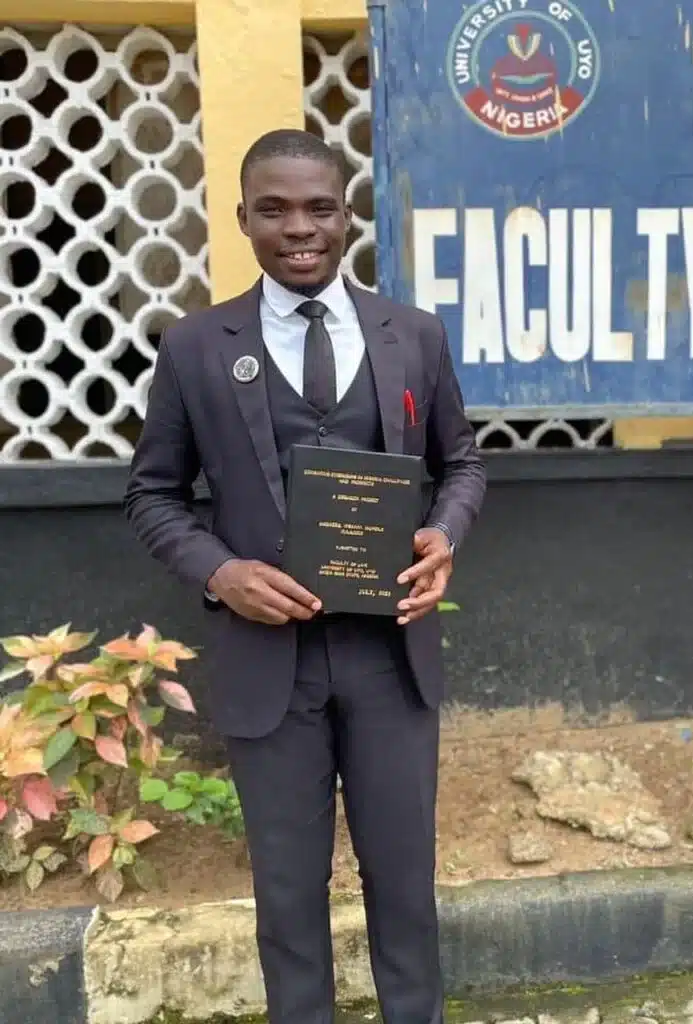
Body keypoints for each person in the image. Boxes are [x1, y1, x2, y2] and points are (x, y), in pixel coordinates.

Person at [124, 128, 486, 1024]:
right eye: (275, 210)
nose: (300, 229)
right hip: (266, 665)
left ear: (347, 214)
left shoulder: (417, 337)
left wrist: (443, 533)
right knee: (288, 896)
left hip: (388, 655)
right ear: (243, 218)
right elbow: (151, 494)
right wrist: (220, 572)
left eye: (319, 207)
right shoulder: (198, 347)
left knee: (404, 882)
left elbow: (465, 463)